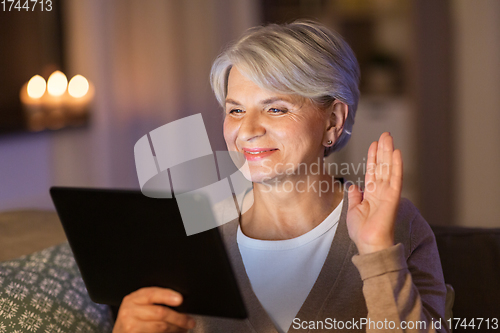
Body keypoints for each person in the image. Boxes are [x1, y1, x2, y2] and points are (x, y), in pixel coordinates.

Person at [112, 20, 448, 333]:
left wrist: (377, 253)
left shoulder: (398, 225)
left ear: (332, 120)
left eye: (275, 109)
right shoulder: (194, 229)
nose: (247, 131)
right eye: (236, 110)